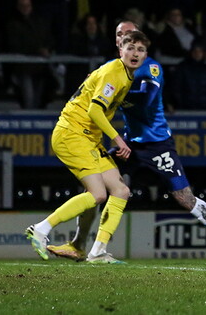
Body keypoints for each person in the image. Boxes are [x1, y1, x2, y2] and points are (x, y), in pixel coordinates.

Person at [47, 22, 206, 263]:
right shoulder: (113, 69)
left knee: (184, 197)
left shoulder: (151, 67)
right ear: (118, 42)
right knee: (95, 186)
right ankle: (79, 245)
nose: (123, 37)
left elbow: (147, 99)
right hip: (129, 143)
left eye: (128, 34)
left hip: (156, 143)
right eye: (119, 34)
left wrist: (115, 95)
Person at [24, 30, 149, 264]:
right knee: (98, 194)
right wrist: (118, 139)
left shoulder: (123, 74)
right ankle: (40, 229)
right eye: (130, 48)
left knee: (121, 191)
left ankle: (96, 252)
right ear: (120, 50)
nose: (135, 53)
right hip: (72, 133)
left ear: (146, 55)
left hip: (88, 138)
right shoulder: (114, 73)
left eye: (140, 50)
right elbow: (94, 110)